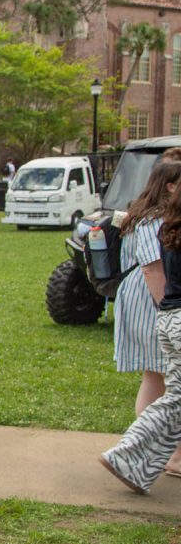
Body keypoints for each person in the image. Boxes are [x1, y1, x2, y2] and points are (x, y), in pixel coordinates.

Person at [101, 176, 181, 494]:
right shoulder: (157, 222)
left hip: (163, 309)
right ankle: (134, 454)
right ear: (170, 185)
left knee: (164, 385)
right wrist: (167, 312)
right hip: (156, 305)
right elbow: (152, 269)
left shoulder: (164, 222)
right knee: (166, 388)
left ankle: (145, 458)